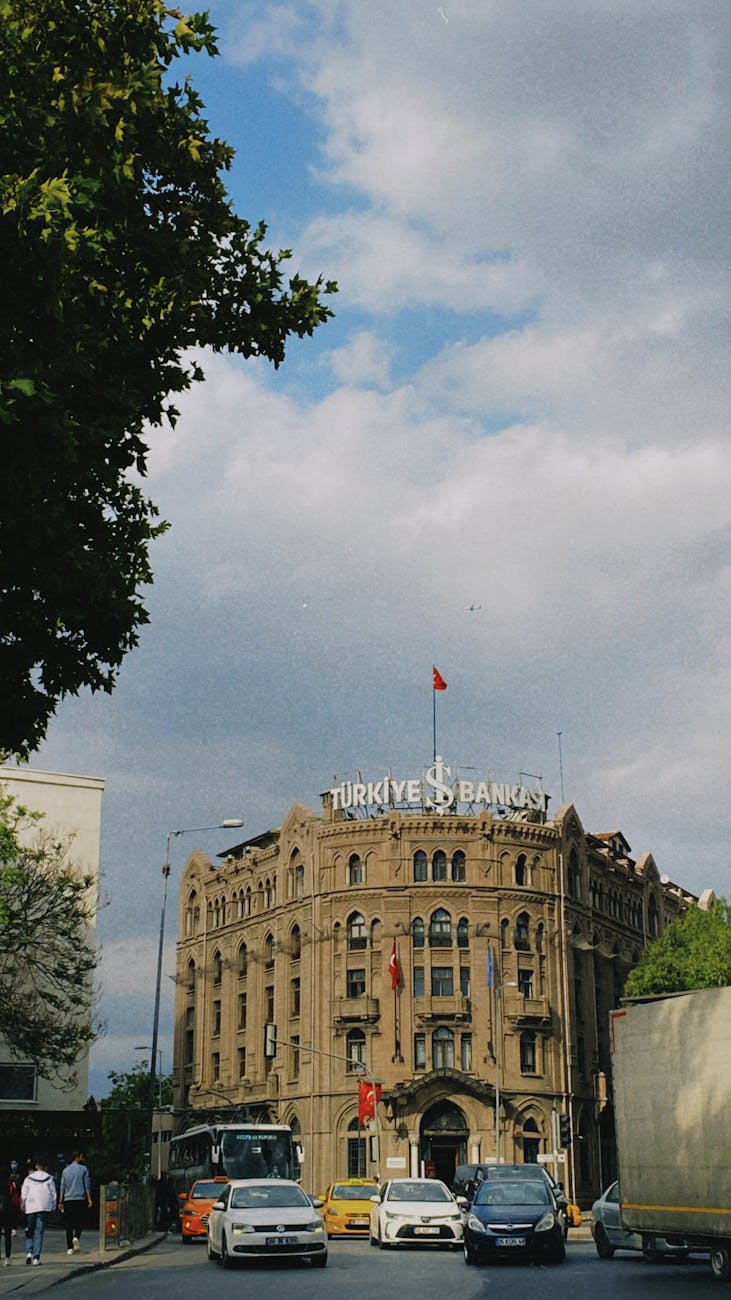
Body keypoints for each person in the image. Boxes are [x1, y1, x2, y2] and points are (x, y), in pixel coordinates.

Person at [20, 1157, 57, 1265]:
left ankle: (29, 1252)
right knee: (39, 1232)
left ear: (36, 1166)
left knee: (29, 1230)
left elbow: (24, 1195)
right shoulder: (49, 1178)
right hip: (44, 1207)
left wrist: (22, 1208)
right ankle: (36, 1258)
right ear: (45, 1167)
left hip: (30, 1207)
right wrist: (53, 1207)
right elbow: (54, 1194)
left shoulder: (28, 1178)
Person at [59, 1152, 92, 1254]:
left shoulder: (65, 1171)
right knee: (80, 1221)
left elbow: (62, 1187)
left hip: (68, 1199)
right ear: (78, 1157)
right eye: (81, 1156)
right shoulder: (84, 1169)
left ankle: (69, 1248)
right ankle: (76, 1236)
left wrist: (60, 1201)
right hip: (80, 1198)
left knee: (68, 1224)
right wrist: (89, 1199)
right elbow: (87, 1185)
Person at [0, 1163, 21, 1265]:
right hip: (8, 1212)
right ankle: (7, 1258)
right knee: (8, 1236)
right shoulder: (10, 1185)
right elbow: (15, 1199)